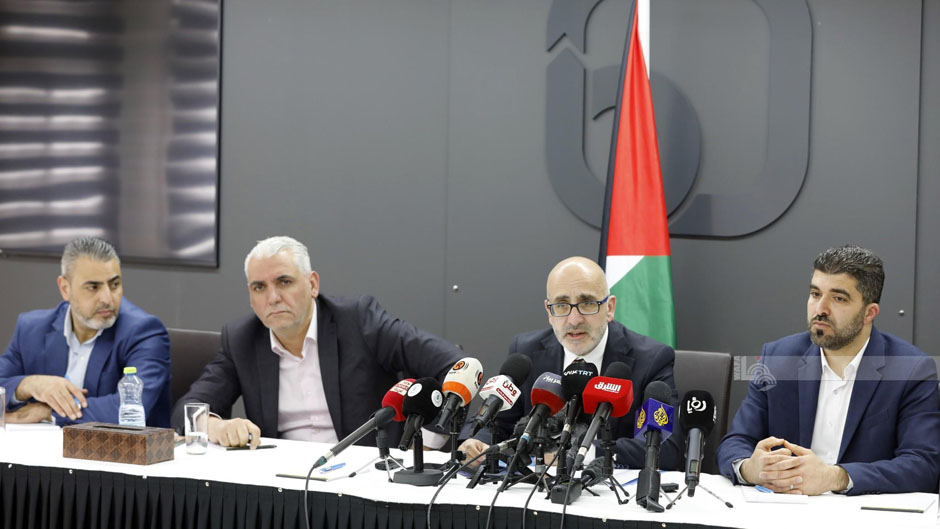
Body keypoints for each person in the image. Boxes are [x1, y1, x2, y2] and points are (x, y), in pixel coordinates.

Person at [172, 236, 464, 449]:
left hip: (366, 478)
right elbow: (187, 408)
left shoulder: (360, 321)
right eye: (259, 287)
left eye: (284, 282)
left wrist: (427, 443)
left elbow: (455, 366)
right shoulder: (241, 339)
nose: (273, 298)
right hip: (283, 483)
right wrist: (215, 425)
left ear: (312, 284)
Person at [717, 245, 940, 495]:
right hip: (784, 507)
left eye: (838, 298)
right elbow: (736, 441)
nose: (820, 309)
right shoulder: (777, 358)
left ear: (869, 313)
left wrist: (836, 478)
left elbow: (922, 466)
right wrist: (749, 468)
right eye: (815, 294)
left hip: (862, 511)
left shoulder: (911, 369)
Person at [460, 256, 682, 469]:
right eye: (562, 305)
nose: (574, 320)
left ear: (609, 308)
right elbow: (497, 423)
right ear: (549, 312)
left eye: (587, 304)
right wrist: (477, 441)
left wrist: (583, 452)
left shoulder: (651, 359)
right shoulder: (526, 351)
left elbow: (665, 447)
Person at [0, 236, 172, 426]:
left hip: (120, 445)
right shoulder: (32, 329)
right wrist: (29, 385)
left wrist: (48, 412)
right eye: (93, 287)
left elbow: (127, 409)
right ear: (65, 288)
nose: (107, 298)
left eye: (114, 284)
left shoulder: (144, 332)